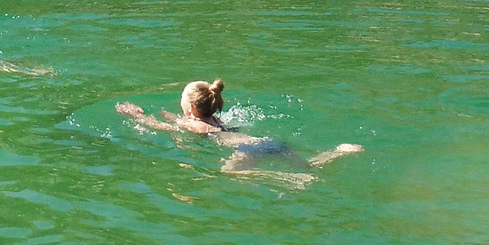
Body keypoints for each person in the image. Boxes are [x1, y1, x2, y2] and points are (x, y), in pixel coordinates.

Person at [116, 79, 362, 179]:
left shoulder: (191, 123)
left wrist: (138, 116)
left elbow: (162, 127)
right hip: (266, 141)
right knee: (308, 165)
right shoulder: (214, 120)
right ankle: (340, 151)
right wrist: (173, 117)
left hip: (248, 149)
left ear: (190, 107)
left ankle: (289, 179)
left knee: (229, 174)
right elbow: (189, 123)